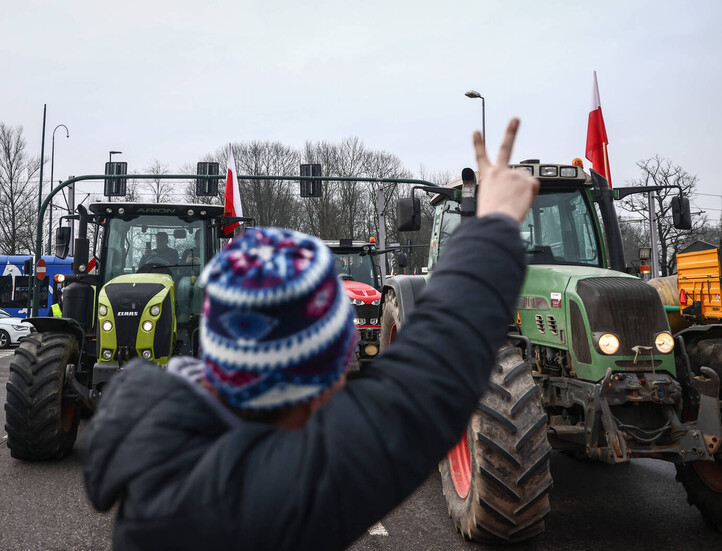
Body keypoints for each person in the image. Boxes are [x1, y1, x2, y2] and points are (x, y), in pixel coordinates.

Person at [81, 119, 539, 551]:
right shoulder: (268, 501)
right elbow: (424, 388)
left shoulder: (155, 456)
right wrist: (493, 228)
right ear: (321, 374)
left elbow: (421, 384)